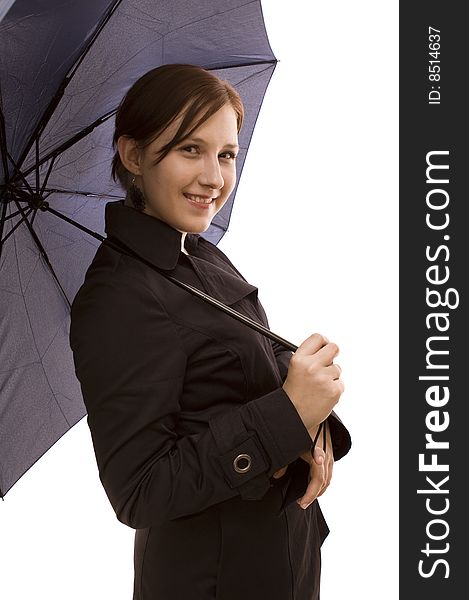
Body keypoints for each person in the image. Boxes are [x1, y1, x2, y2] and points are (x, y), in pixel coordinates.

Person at [69, 63, 351, 600]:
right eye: (189, 150)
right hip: (212, 581)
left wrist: (310, 427)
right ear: (133, 155)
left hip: (278, 563)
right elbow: (140, 490)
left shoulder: (197, 257)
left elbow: (242, 390)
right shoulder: (117, 298)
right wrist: (289, 414)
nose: (215, 178)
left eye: (226, 155)